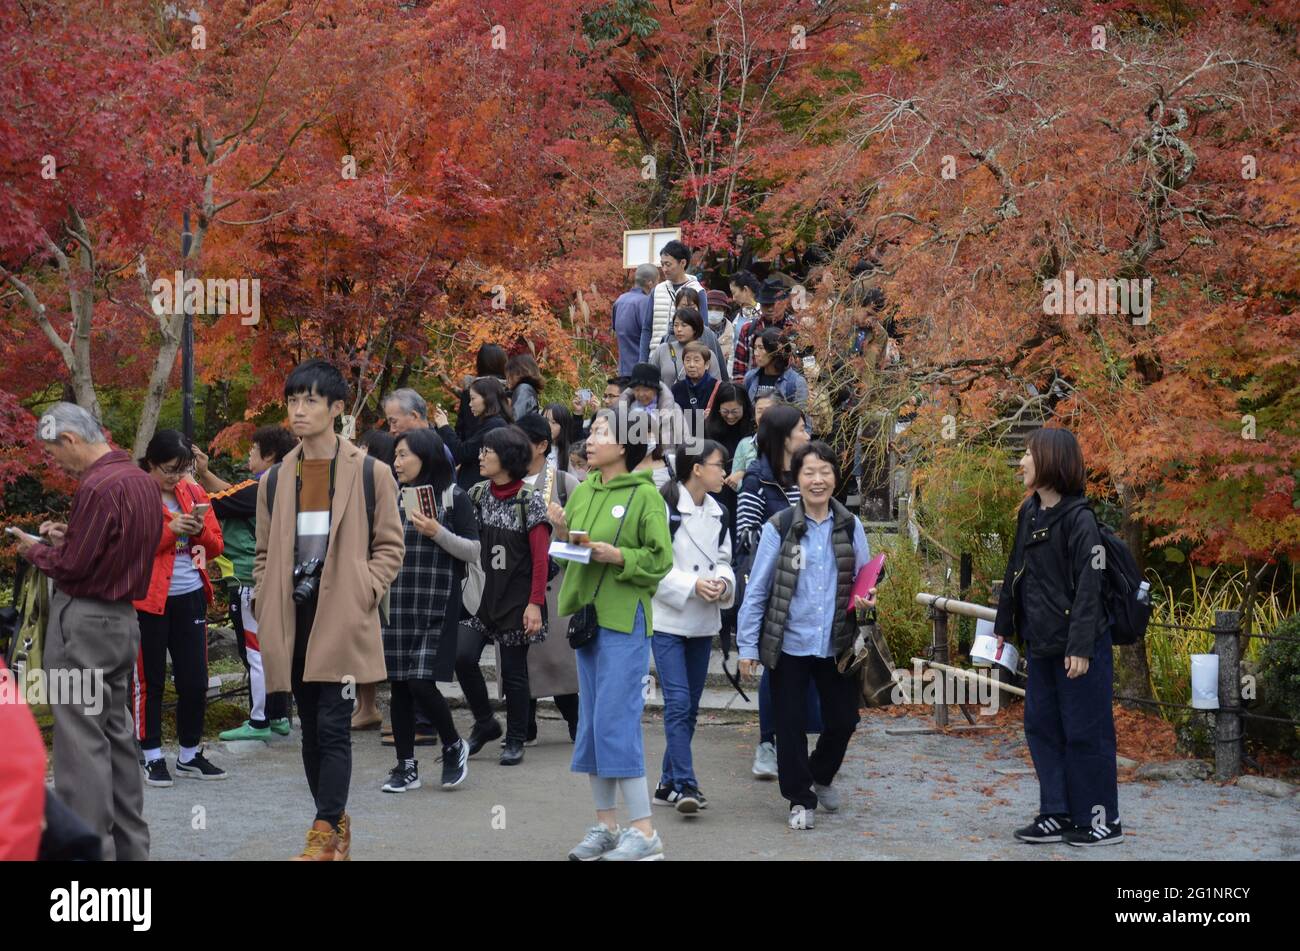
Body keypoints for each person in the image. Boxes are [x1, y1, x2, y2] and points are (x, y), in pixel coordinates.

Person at [254, 359, 405, 860]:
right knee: (309, 728)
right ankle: (335, 825)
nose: (299, 411)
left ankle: (321, 835)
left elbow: (390, 545)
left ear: (337, 408)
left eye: (311, 401)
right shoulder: (275, 479)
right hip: (291, 615)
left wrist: (366, 587)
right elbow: (260, 554)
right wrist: (263, 593)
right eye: (293, 401)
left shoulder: (370, 472)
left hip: (342, 610)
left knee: (335, 722)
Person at [17, 402, 162, 860]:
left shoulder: (97, 487)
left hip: (83, 623)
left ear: (72, 440)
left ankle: (87, 859)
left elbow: (74, 567)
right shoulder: (141, 481)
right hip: (122, 622)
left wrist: (35, 550)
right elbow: (112, 549)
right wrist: (68, 538)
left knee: (80, 748)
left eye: (55, 452)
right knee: (118, 740)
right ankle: (131, 851)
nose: (55, 462)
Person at [549, 407, 673, 861]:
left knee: (616, 722)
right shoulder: (583, 493)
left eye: (603, 432)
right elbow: (565, 561)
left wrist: (617, 555)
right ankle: (606, 826)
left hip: (625, 620)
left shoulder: (646, 497)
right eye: (594, 431)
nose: (592, 439)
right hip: (588, 621)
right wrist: (562, 534)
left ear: (625, 445)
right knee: (594, 724)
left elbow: (660, 563)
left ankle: (644, 833)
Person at [737, 441, 874, 829]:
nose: (818, 480)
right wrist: (748, 645)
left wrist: (868, 598)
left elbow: (865, 577)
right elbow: (759, 589)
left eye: (825, 472)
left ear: (835, 477)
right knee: (790, 724)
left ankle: (821, 774)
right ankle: (800, 799)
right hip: (789, 642)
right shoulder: (779, 527)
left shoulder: (850, 525)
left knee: (844, 720)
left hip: (837, 643)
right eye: (809, 472)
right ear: (796, 479)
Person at [994, 428, 1120, 847]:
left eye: (1028, 454)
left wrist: (1081, 646)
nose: (1022, 462)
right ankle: (1056, 812)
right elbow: (1015, 572)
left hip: (1080, 648)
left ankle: (1101, 819)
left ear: (1050, 461)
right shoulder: (1029, 512)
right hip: (1042, 643)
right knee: (1041, 727)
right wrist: (1003, 629)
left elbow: (1091, 584)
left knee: (1087, 732)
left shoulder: (1080, 519)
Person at [381, 428, 477, 792]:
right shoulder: (391, 497)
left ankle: (453, 745)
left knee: (421, 681)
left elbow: (472, 550)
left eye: (404, 454)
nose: (397, 462)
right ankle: (406, 766)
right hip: (398, 600)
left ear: (426, 455)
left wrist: (437, 531)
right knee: (400, 685)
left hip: (437, 600)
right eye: (396, 455)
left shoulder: (455, 497)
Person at [133, 429, 227, 785]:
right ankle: (152, 754)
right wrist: (172, 530)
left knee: (195, 679)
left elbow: (216, 545)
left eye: (183, 469)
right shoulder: (136, 495)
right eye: (170, 469)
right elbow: (129, 549)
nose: (177, 477)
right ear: (151, 463)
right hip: (148, 600)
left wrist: (198, 528)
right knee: (149, 680)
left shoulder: (194, 491)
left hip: (190, 595)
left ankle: (189, 752)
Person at [194, 426, 298, 743]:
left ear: (268, 455)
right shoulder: (278, 483)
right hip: (276, 578)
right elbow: (233, 493)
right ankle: (280, 715)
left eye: (253, 450)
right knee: (275, 649)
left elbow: (209, 503)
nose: (248, 455)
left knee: (255, 651)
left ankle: (259, 720)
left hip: (249, 579)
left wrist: (186, 478)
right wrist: (205, 472)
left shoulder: (259, 487)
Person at [458, 426, 552, 765]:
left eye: (488, 451)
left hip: (516, 600)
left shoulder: (530, 500)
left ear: (508, 458)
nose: (481, 456)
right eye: (481, 450)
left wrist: (535, 603)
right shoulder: (477, 494)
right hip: (480, 597)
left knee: (514, 673)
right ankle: (485, 722)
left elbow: (541, 559)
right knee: (462, 656)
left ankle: (516, 739)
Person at [650, 440, 734, 814]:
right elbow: (652, 566)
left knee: (690, 706)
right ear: (697, 468)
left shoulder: (720, 512)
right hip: (669, 619)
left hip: (702, 622)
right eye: (719, 465)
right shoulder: (663, 507)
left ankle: (667, 782)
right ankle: (686, 784)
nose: (724, 471)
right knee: (679, 703)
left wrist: (723, 583)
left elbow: (724, 559)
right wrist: (691, 585)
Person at [735, 402, 813, 780]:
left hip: (812, 587)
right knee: (774, 665)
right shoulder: (756, 480)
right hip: (774, 585)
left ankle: (798, 741)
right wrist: (781, 536)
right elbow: (745, 536)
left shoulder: (810, 476)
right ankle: (767, 743)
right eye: (801, 428)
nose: (807, 435)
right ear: (783, 435)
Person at [515, 413, 581, 742]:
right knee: (520, 659)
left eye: (521, 440)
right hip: (515, 586)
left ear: (542, 446)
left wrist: (565, 534)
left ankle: (577, 722)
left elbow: (586, 538)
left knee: (559, 658)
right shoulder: (503, 482)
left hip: (558, 585)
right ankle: (523, 726)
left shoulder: (566, 483)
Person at [434, 376, 513, 490]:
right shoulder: (491, 422)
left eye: (473, 398)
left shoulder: (494, 425)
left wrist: (444, 427)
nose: (470, 404)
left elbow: (462, 452)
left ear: (487, 398)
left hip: (479, 490)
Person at [732, 277, 795, 383]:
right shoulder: (748, 330)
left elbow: (807, 365)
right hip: (755, 391)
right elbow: (739, 371)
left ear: (784, 303)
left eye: (774, 304)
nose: (770, 309)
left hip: (788, 390)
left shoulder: (796, 328)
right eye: (765, 305)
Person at [650, 305, 723, 389]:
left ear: (695, 328)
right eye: (676, 325)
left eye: (684, 325)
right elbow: (649, 379)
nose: (679, 329)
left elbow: (716, 387)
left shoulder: (707, 353)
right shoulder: (662, 349)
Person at [743, 328, 809, 410]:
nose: (756, 353)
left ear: (776, 350)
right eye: (755, 348)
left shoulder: (795, 382)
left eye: (761, 348)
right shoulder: (750, 378)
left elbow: (803, 417)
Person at [670, 340, 722, 440]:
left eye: (697, 360)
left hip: (711, 443)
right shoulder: (676, 389)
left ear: (706, 364)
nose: (691, 365)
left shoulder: (718, 387)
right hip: (685, 444)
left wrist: (714, 416)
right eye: (687, 360)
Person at [614, 263, 658, 374]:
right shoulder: (646, 302)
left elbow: (615, 329)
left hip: (623, 369)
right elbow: (651, 334)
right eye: (658, 282)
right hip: (642, 371)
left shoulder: (620, 300)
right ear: (650, 283)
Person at [505, 352, 545, 420]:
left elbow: (516, 418)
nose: (507, 380)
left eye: (509, 375)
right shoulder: (528, 390)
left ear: (518, 373)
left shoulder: (524, 389)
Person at [706, 288, 736, 370]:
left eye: (718, 309)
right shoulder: (696, 331)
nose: (713, 312)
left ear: (724, 311)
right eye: (709, 308)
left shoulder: (734, 332)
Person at [543, 403, 573, 474]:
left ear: (563, 427)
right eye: (545, 420)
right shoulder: (532, 447)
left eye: (554, 422)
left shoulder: (570, 455)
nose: (548, 425)